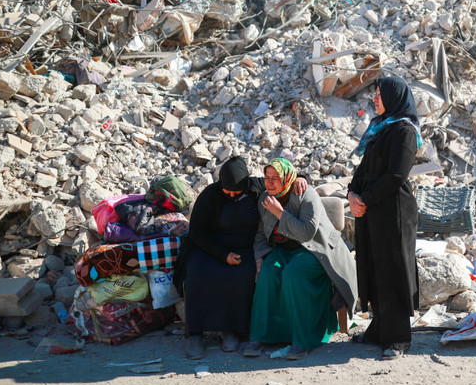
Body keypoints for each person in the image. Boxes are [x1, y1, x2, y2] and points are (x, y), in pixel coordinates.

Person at [178, 157, 306, 359]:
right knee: (197, 270)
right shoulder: (210, 195)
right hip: (212, 247)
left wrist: (301, 178)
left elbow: (282, 184)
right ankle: (196, 332)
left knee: (245, 273)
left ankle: (231, 330)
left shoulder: (255, 187)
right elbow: (197, 232)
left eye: (235, 191)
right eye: (226, 190)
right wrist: (222, 254)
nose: (230, 194)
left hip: (246, 247)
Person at [245, 158, 357, 360]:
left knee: (293, 275)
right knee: (267, 275)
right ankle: (262, 335)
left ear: (287, 179)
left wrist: (279, 212)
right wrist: (260, 257)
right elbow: (261, 233)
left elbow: (307, 233)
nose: (269, 183)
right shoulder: (265, 197)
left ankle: (303, 339)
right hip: (282, 249)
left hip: (314, 249)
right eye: (267, 178)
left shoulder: (305, 194)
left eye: (275, 178)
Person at [347, 76, 423, 360]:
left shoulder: (403, 130)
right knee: (374, 267)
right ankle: (378, 330)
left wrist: (364, 199)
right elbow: (364, 168)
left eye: (380, 94)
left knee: (392, 270)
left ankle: (398, 338)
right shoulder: (380, 128)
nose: (375, 99)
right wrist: (352, 193)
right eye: (375, 94)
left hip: (394, 212)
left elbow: (395, 175)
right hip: (371, 210)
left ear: (394, 98)